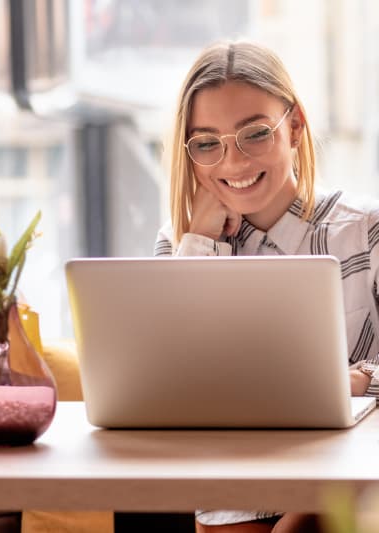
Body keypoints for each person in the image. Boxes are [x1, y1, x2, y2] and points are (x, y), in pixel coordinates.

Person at [154, 39, 379, 533]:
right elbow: (166, 382)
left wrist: (363, 382)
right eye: (208, 143)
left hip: (349, 477)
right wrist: (202, 239)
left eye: (255, 134)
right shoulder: (180, 243)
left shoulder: (365, 230)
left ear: (294, 126)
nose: (233, 163)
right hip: (231, 488)